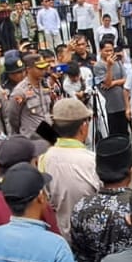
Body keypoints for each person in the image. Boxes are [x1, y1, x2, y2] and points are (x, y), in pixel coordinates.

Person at [37, 98, 99, 237]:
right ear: (83, 127)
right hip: (90, 234)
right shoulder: (92, 161)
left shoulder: (44, 159)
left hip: (60, 233)